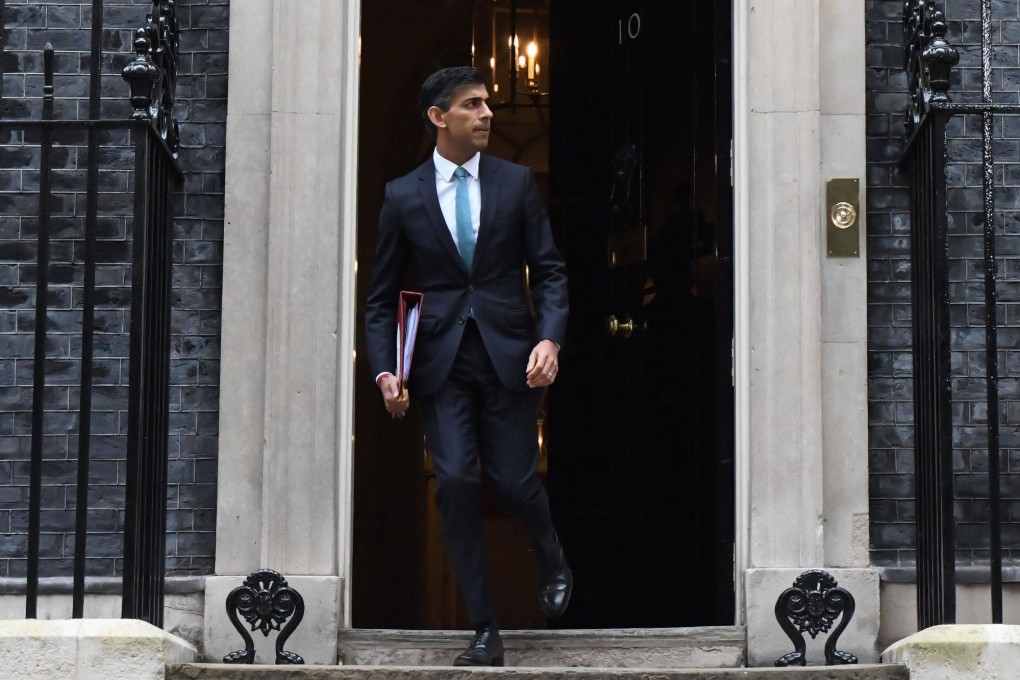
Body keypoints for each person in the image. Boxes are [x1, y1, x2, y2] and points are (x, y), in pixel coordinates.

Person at [364, 66, 572, 667]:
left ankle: (550, 550)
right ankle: (485, 628)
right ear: (438, 116)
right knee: (454, 481)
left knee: (511, 480)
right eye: (472, 105)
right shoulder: (403, 196)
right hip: (439, 363)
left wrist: (550, 340)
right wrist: (385, 371)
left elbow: (551, 270)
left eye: (486, 104)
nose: (486, 114)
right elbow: (381, 299)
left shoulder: (516, 183)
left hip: (510, 355)